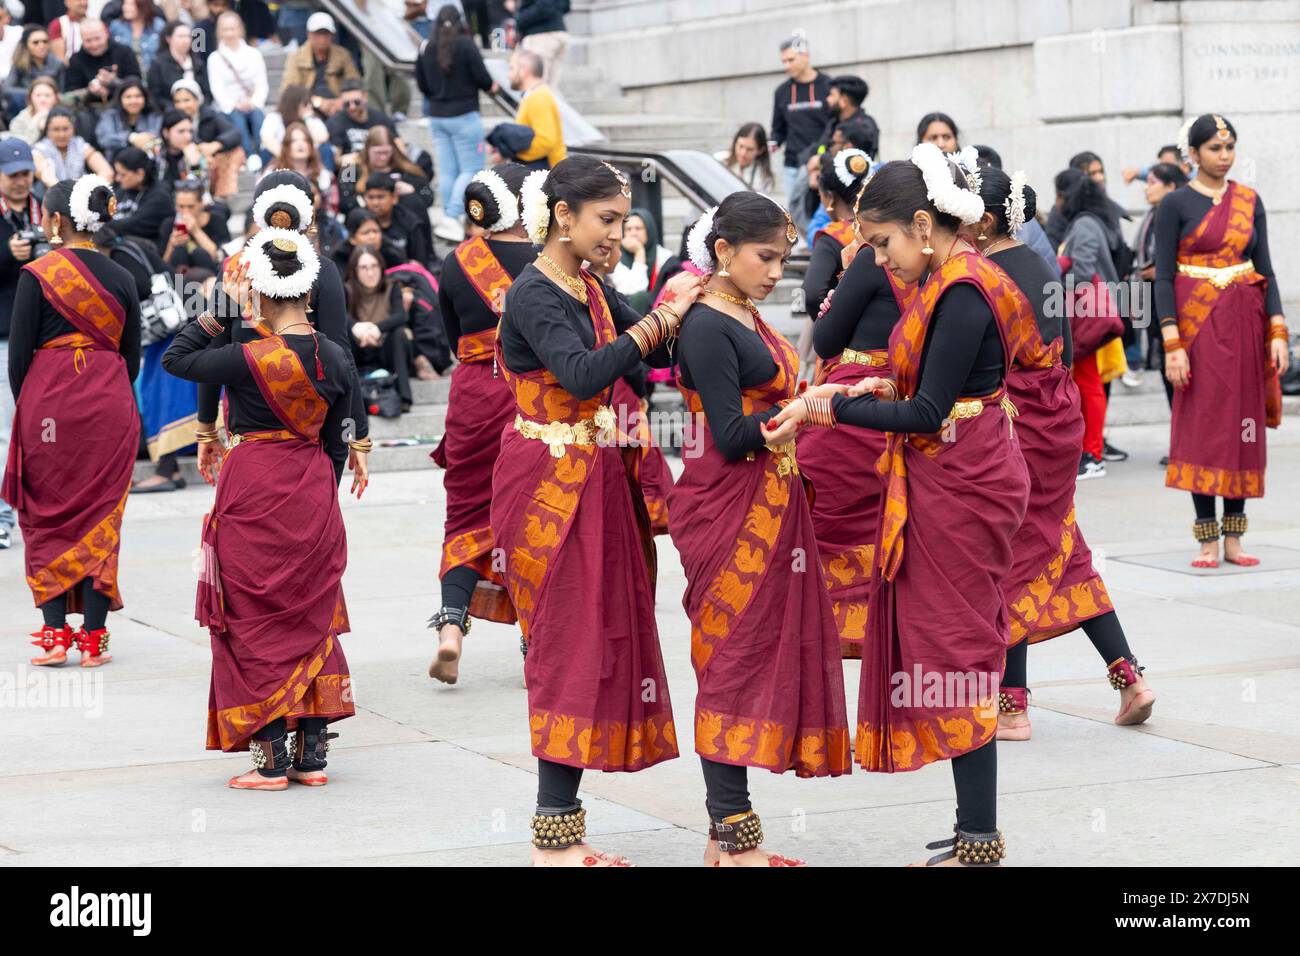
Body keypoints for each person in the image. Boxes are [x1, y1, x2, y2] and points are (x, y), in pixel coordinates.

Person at [764, 145, 1028, 866]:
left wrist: (832, 412)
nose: (879, 261)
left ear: (921, 223)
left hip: (963, 476)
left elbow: (928, 410)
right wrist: (841, 394)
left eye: (881, 244)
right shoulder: (948, 280)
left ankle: (980, 838)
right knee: (951, 639)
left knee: (960, 644)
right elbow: (913, 390)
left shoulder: (963, 289)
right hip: (952, 468)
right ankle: (973, 823)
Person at [493, 156, 702, 865]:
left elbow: (653, 335)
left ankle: (565, 830)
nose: (616, 234)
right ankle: (553, 837)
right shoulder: (534, 292)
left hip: (596, 472)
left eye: (619, 221)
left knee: (599, 636)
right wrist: (658, 326)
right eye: (605, 220)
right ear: (563, 216)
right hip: (549, 484)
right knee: (566, 643)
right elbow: (584, 372)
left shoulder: (587, 284)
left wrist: (706, 305)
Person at [669, 192, 850, 867]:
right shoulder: (708, 327)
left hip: (766, 500)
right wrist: (806, 408)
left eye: (782, 259)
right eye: (764, 257)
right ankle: (737, 839)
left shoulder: (739, 311)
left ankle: (725, 837)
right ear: (723, 252)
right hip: (729, 502)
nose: (776, 271)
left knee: (746, 658)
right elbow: (735, 434)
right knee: (730, 663)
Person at [163, 228, 366, 790]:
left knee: (253, 616)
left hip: (253, 485)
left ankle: (270, 759)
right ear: (308, 290)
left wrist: (219, 308)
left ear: (258, 294)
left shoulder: (245, 358)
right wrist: (319, 485)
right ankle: (312, 757)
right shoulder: (337, 356)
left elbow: (177, 359)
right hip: (312, 486)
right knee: (311, 611)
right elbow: (338, 439)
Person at [969, 163, 1157, 735]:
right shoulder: (1038, 264)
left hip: (1013, 429)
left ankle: (1012, 705)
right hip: (1056, 426)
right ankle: (1129, 677)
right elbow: (1066, 349)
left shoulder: (981, 277)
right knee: (1064, 551)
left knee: (1010, 558)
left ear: (981, 219)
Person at [4, 173, 141, 666]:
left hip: (49, 411)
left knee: (48, 517)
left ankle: (55, 634)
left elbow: (18, 360)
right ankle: (95, 641)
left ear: (57, 221)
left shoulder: (37, 275)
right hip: (110, 407)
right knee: (102, 516)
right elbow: (132, 357)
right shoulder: (123, 276)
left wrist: (37, 406)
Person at [1156, 113, 1288, 568]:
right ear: (1193, 154)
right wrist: (1171, 341)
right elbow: (1164, 276)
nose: (1224, 156)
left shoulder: (1250, 200)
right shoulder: (1174, 206)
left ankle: (1235, 538)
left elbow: (1266, 268)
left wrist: (1277, 330)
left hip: (1245, 325)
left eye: (1229, 148)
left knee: (1242, 426)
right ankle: (1206, 538)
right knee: (1204, 425)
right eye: (1214, 148)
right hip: (1196, 330)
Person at [197, 170, 369, 488]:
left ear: (259, 214)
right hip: (309, 420)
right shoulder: (323, 270)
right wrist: (358, 435)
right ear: (309, 216)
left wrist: (206, 428)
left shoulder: (233, 269)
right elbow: (342, 358)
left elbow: (213, 348)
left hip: (248, 424)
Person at [429, 163, 533, 683]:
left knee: (464, 512)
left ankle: (451, 628)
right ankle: (535, 638)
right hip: (530, 396)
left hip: (472, 395)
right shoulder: (548, 262)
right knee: (536, 516)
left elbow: (452, 339)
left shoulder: (455, 262)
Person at [1057, 166, 1127, 480]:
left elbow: (1083, 272)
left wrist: (1057, 276)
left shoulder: (1084, 224)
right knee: (1090, 383)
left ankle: (1093, 454)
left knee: (1089, 383)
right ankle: (1091, 450)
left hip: (1087, 314)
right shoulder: (1095, 222)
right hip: (1095, 312)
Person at [0, 137, 45, 552]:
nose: (20, 181)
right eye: (12, 174)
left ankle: (32, 508)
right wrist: (6, 253)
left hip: (40, 337)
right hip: (3, 336)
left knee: (36, 429)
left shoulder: (45, 208)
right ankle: (2, 516)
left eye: (25, 174)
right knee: (3, 429)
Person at [417, 4, 494, 243]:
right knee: (470, 169)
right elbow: (484, 79)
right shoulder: (466, 44)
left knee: (449, 171)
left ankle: (451, 218)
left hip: (438, 117)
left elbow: (422, 85)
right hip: (464, 116)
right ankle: (452, 216)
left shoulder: (426, 47)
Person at [1132, 161, 1187, 415]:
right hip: (1154, 296)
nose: (1147, 189)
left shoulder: (1180, 214)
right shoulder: (1154, 212)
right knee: (1168, 369)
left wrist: (1163, 270)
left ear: (1171, 186)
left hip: (1176, 299)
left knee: (1177, 370)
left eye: (1153, 183)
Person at [770, 34, 829, 241]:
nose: (786, 66)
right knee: (795, 211)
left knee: (822, 208)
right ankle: (805, 248)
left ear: (805, 56)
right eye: (783, 61)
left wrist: (820, 155)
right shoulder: (782, 92)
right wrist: (773, 142)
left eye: (790, 60)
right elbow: (778, 128)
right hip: (793, 164)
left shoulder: (827, 86)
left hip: (819, 162)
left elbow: (832, 127)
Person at [802, 147, 872, 319]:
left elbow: (812, 295)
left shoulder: (831, 237)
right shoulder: (880, 229)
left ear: (830, 197)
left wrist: (830, 326)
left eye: (820, 195)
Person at [344, 244, 413, 411]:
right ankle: (348, 399)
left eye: (374, 266)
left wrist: (377, 329)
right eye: (364, 268)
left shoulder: (392, 286)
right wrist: (357, 328)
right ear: (355, 270)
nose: (370, 272)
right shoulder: (347, 289)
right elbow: (338, 316)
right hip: (359, 348)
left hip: (386, 349)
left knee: (399, 334)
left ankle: (405, 397)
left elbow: (400, 316)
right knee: (341, 335)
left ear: (381, 267)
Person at [204, 9, 267, 171]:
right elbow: (217, 88)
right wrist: (234, 104)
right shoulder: (215, 58)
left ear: (240, 29)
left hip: (251, 102)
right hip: (229, 106)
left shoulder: (254, 54)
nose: (230, 33)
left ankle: (262, 153)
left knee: (258, 116)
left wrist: (253, 102)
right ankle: (250, 154)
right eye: (226, 29)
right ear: (220, 32)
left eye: (233, 28)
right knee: (236, 118)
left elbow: (261, 83)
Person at [65, 18, 142, 138]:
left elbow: (137, 84)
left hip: (124, 107)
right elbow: (70, 93)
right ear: (82, 39)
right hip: (90, 110)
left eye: (97, 39)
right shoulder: (76, 59)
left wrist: (114, 82)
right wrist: (90, 91)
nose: (94, 45)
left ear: (106, 34)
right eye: (88, 41)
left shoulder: (124, 52)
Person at [170, 76, 243, 199]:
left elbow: (235, 133)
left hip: (209, 160)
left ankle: (222, 196)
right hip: (182, 162)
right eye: (177, 101)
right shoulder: (171, 119)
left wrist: (215, 145)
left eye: (187, 100)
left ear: (197, 100)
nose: (182, 105)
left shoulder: (209, 115)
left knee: (235, 152)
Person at [279, 12, 359, 118]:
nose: (322, 39)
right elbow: (289, 90)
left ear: (332, 35)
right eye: (318, 34)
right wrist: (317, 102)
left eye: (326, 34)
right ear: (309, 34)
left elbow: (354, 82)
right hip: (307, 106)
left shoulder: (343, 55)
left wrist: (342, 101)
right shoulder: (296, 57)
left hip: (339, 106)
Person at [338, 124, 432, 214]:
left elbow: (428, 198)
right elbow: (344, 202)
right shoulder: (350, 168)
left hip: (402, 220)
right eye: (378, 153)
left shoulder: (407, 169)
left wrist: (412, 191)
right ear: (367, 150)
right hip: (366, 220)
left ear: (393, 150)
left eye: (386, 152)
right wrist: (368, 200)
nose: (383, 157)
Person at [502, 48, 564, 171]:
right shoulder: (534, 95)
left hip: (546, 173)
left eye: (512, 68)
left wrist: (514, 153)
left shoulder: (539, 97)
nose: (508, 75)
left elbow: (545, 141)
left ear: (524, 71)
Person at [160, 176, 230, 284]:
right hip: (179, 281)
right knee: (179, 251)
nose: (185, 211)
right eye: (181, 207)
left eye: (190, 206)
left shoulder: (216, 220)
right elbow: (162, 266)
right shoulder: (169, 224)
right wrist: (171, 244)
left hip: (209, 279)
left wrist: (196, 231)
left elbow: (220, 258)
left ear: (201, 203)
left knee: (199, 253)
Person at [362, 172, 434, 270]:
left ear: (394, 198)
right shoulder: (359, 223)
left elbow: (420, 264)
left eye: (380, 197)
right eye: (371, 197)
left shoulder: (411, 223)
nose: (375, 203)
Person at [610, 206, 672, 314]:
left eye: (638, 228)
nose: (633, 233)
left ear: (649, 230)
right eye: (628, 229)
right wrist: (639, 253)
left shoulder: (665, 257)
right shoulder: (615, 256)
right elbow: (633, 291)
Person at [108, 144, 173, 247]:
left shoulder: (160, 196)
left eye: (123, 174)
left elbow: (132, 225)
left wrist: (101, 224)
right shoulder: (123, 188)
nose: (118, 179)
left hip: (142, 251)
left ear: (140, 174)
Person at [264, 119, 334, 212]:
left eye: (305, 140)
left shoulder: (322, 174)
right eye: (294, 140)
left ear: (311, 145)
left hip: (317, 221)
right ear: (286, 146)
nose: (300, 144)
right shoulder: (273, 173)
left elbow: (330, 206)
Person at [33, 104, 115, 184]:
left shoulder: (79, 144)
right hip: (49, 195)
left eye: (65, 129)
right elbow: (46, 177)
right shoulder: (39, 149)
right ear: (47, 130)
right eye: (55, 129)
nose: (61, 135)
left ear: (73, 128)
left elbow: (107, 172)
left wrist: (92, 191)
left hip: (81, 194)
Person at [326, 79, 400, 162]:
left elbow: (399, 147)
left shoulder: (381, 119)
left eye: (356, 102)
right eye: (347, 104)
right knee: (347, 163)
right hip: (352, 167)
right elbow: (336, 159)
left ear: (365, 97)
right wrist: (349, 159)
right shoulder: (336, 122)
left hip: (378, 164)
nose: (352, 107)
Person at [260, 83, 331, 168]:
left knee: (325, 149)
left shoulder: (311, 119)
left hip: (306, 160)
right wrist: (288, 157)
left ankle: (326, 178)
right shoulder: (274, 118)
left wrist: (308, 119)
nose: (309, 106)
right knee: (266, 152)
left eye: (310, 103)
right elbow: (267, 139)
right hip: (281, 160)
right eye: (305, 103)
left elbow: (323, 137)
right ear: (294, 103)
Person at [94, 77, 164, 163]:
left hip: (147, 162)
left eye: (138, 96)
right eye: (128, 97)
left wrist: (145, 142)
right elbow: (104, 139)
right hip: (116, 162)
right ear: (120, 98)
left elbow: (156, 138)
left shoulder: (154, 115)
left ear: (145, 98)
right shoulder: (110, 115)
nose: (133, 101)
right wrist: (130, 138)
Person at [145, 19, 209, 109]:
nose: (185, 40)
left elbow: (207, 93)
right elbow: (155, 96)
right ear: (168, 39)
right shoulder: (158, 64)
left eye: (188, 36)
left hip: (199, 112)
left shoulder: (198, 63)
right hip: (170, 114)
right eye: (180, 36)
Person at [4, 25, 64, 117]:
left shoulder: (58, 64)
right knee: (16, 99)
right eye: (35, 42)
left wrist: (46, 96)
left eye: (45, 41)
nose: (41, 45)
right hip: (26, 105)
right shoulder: (19, 64)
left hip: (51, 105)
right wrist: (33, 94)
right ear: (26, 45)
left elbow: (62, 90)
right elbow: (6, 89)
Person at [512, 0, 567, 87]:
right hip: (556, 33)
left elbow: (543, 7)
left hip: (541, 36)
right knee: (549, 89)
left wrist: (519, 21)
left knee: (535, 85)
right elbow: (566, 5)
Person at [715, 122, 774, 193]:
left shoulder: (764, 178)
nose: (743, 153)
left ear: (760, 150)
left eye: (749, 149)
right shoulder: (718, 161)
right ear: (735, 143)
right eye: (741, 146)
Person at [108, 0, 164, 71]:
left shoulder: (158, 25)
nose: (125, 8)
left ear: (143, 5)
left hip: (152, 72)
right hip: (126, 75)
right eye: (124, 4)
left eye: (130, 4)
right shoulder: (116, 26)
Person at [6, 75, 61, 146]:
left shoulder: (63, 115)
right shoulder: (21, 118)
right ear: (30, 97)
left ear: (56, 98)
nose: (42, 100)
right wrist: (36, 120)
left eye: (47, 95)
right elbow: (23, 144)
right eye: (38, 95)